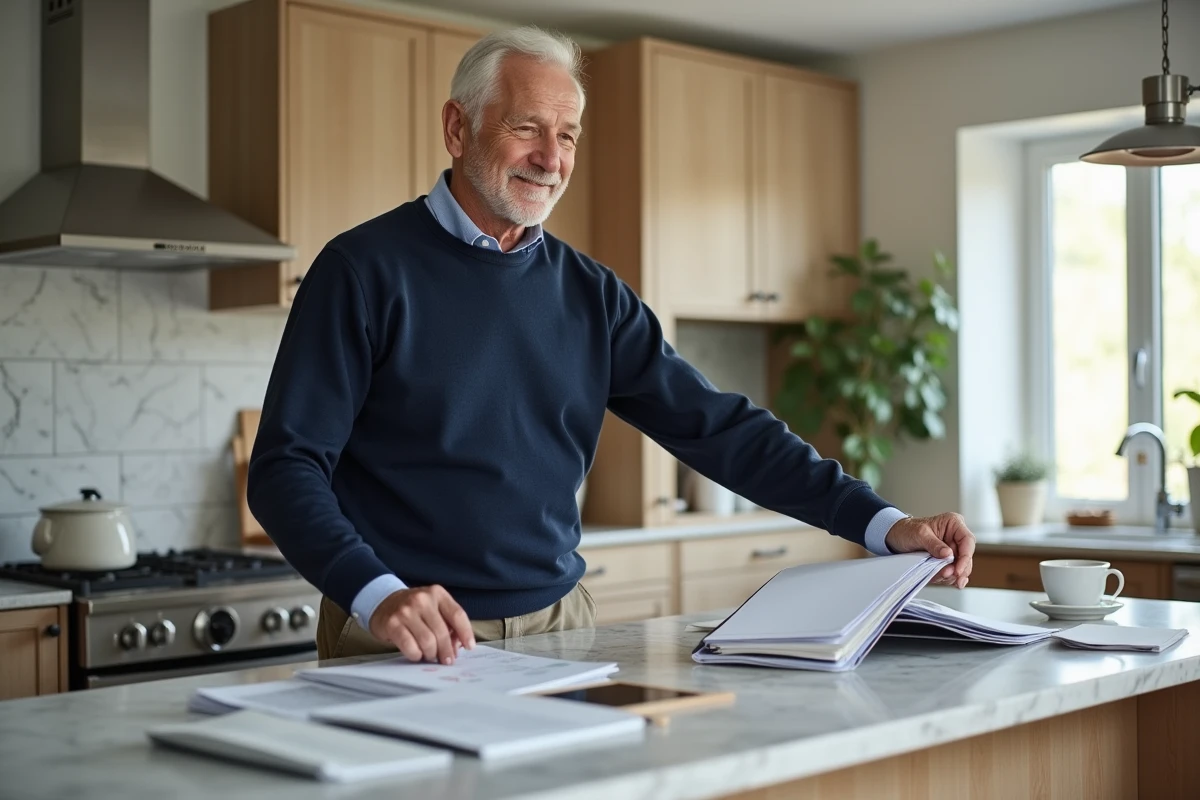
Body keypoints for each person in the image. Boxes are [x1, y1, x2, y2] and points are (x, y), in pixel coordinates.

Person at [248, 26, 975, 666]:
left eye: (566, 137)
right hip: (402, 633)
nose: (549, 158)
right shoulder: (362, 271)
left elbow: (719, 428)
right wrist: (377, 595)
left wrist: (882, 524)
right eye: (527, 128)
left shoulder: (591, 294)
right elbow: (285, 470)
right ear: (457, 127)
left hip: (559, 628)